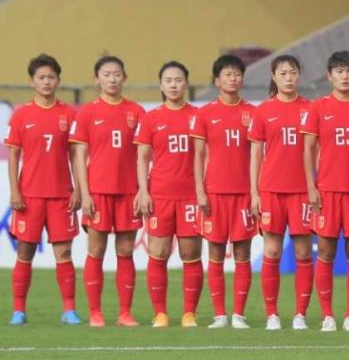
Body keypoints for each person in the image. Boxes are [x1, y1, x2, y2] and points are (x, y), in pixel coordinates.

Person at [301, 50, 349, 332]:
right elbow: (308, 150)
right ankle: (328, 315)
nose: (345, 76)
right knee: (325, 252)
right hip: (327, 191)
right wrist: (311, 186)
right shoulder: (318, 108)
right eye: (340, 71)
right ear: (329, 76)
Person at [5, 54, 81, 325]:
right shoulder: (21, 114)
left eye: (51, 77)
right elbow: (13, 156)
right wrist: (15, 191)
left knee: (64, 254)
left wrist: (78, 189)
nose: (46, 82)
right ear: (32, 81)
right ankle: (18, 311)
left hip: (62, 196)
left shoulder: (69, 114)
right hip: (29, 196)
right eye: (41, 77)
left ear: (58, 80)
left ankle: (69, 311)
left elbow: (76, 156)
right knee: (24, 253)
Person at [71, 56, 145, 327]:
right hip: (98, 192)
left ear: (124, 77)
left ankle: (125, 313)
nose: (112, 79)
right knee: (96, 250)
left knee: (125, 251)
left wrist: (142, 190)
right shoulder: (87, 112)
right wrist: (85, 193)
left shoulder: (137, 111)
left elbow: (144, 155)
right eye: (106, 74)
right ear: (96, 78)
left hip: (129, 192)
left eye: (116, 74)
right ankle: (95, 313)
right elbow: (79, 156)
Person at [134, 61, 203, 328]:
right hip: (160, 195)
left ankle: (189, 313)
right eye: (168, 80)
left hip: (191, 196)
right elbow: (142, 159)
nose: (174, 85)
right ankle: (160, 313)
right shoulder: (151, 118)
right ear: (161, 85)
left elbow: (206, 157)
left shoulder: (198, 116)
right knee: (158, 252)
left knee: (190, 252)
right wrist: (143, 191)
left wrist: (203, 191)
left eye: (178, 80)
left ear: (186, 83)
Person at [249, 55, 313, 331]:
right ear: (274, 77)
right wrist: (254, 192)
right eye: (283, 73)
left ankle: (300, 314)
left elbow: (318, 152)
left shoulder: (310, 109)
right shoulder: (263, 111)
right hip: (271, 190)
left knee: (302, 252)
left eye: (293, 72)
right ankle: (272, 314)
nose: (288, 78)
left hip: (302, 192)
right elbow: (255, 155)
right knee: (272, 251)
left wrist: (315, 187)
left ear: (299, 75)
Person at [191, 54, 256, 329]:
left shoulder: (252, 112)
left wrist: (256, 193)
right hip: (214, 193)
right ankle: (220, 315)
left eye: (237, 74)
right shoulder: (205, 113)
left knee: (242, 255)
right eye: (227, 74)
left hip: (243, 194)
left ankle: (239, 314)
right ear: (217, 80)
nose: (233, 78)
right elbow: (197, 156)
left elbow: (258, 156)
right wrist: (200, 191)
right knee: (215, 255)